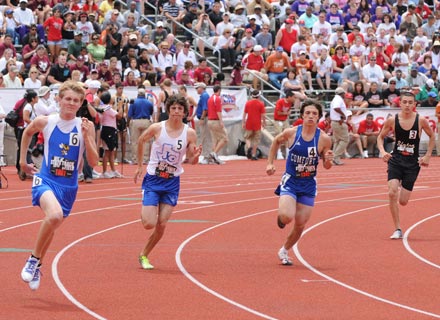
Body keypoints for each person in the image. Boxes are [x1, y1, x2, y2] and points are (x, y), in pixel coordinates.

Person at [19, 81, 98, 290]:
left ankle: (38, 265)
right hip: (45, 179)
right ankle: (33, 260)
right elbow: (27, 133)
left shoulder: (84, 126)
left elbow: (94, 161)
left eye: (76, 100)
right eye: (67, 99)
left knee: (52, 224)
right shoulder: (47, 121)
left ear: (81, 103)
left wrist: (88, 136)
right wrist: (22, 161)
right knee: (53, 216)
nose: (71, 103)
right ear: (59, 99)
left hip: (69, 187)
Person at [134, 94, 202, 270]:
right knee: (148, 223)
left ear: (185, 112)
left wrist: (196, 156)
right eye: (173, 109)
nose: (176, 112)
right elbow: (141, 140)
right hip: (153, 179)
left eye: (180, 109)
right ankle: (147, 203)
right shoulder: (157, 128)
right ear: (168, 110)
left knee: (162, 223)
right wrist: (140, 165)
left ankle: (144, 255)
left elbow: (192, 161)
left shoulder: (189, 133)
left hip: (172, 182)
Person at [266, 99, 334, 266]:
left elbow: (326, 166)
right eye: (308, 113)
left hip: (308, 184)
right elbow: (275, 141)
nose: (311, 116)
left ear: (319, 117)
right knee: (287, 216)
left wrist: (329, 161)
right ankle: (281, 218)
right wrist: (270, 162)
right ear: (302, 115)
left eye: (314, 114)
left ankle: (284, 250)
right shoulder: (291, 133)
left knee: (300, 224)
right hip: (291, 181)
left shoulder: (324, 139)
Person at [377, 91, 435, 240]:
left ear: (415, 104)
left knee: (403, 201)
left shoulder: (421, 120)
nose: (408, 105)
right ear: (400, 103)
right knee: (391, 193)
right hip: (396, 160)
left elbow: (432, 136)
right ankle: (397, 228)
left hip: (412, 163)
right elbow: (380, 137)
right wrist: (383, 151)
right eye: (405, 102)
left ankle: (402, 184)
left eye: (410, 102)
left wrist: (428, 155)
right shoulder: (392, 120)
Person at [207, 85, 228, 164]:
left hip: (210, 121)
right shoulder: (217, 98)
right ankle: (214, 154)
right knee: (224, 138)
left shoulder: (210, 99)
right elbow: (218, 111)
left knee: (215, 140)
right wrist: (221, 121)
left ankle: (212, 158)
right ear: (219, 90)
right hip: (215, 121)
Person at [242, 90, 266, 160]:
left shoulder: (248, 103)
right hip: (257, 123)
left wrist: (243, 122)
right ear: (258, 96)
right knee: (256, 139)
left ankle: (249, 147)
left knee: (247, 137)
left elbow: (244, 113)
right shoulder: (261, 104)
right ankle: (254, 154)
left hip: (249, 122)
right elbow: (263, 115)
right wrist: (264, 122)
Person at [330, 87, 349, 165]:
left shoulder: (335, 98)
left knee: (337, 141)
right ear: (342, 93)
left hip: (335, 122)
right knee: (345, 140)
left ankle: (333, 158)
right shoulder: (338, 99)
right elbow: (336, 108)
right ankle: (335, 156)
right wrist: (343, 115)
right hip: (339, 122)